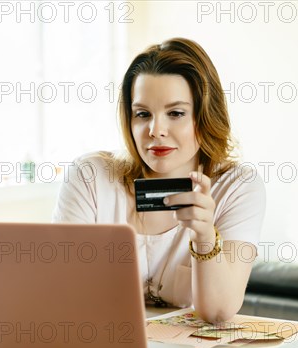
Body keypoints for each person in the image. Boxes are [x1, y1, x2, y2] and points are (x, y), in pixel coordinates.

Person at [52, 38, 265, 323]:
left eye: (175, 113)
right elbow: (62, 292)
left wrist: (204, 238)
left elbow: (216, 312)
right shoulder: (90, 176)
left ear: (204, 117)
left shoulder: (238, 185)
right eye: (142, 114)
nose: (156, 130)